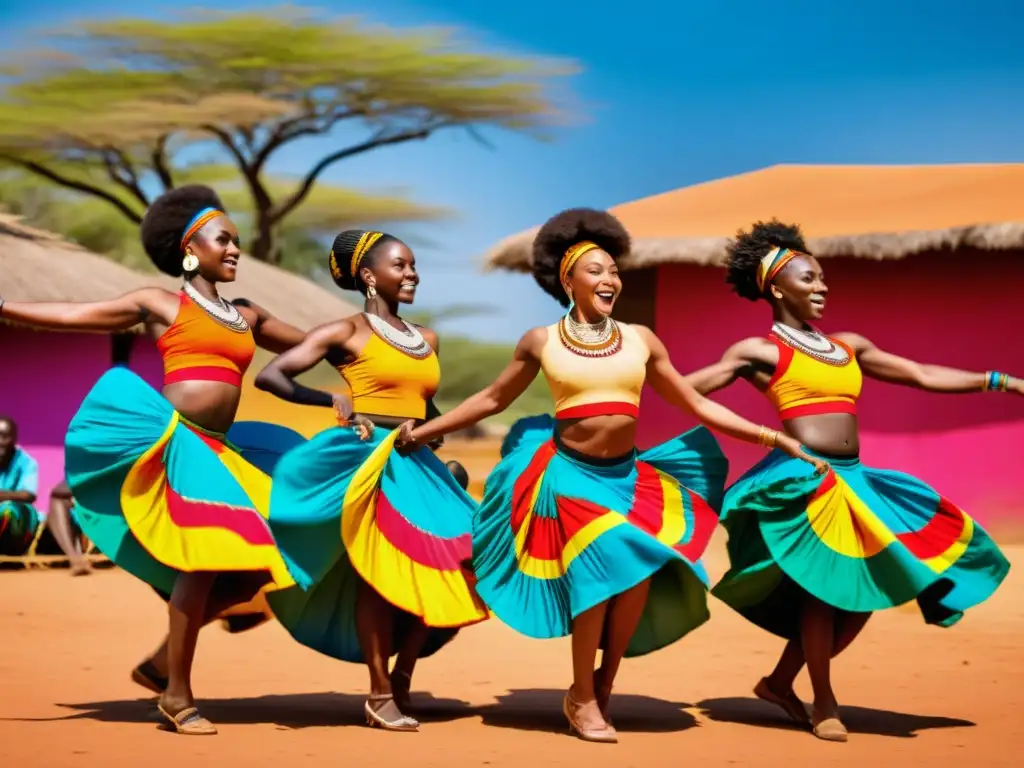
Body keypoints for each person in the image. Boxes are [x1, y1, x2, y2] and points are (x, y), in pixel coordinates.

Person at [396, 208, 827, 743]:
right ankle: (581, 697)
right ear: (568, 281)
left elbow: (695, 402)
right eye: (596, 271)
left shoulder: (641, 339)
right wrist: (422, 431)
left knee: (636, 575)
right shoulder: (541, 340)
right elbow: (490, 398)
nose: (609, 280)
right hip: (568, 477)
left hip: (626, 478)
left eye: (614, 272)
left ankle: (602, 684)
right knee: (607, 565)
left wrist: (772, 437)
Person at [683, 219, 1014, 743]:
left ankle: (777, 683)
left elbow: (922, 374)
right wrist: (627, 375)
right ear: (776, 287)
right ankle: (825, 702)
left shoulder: (849, 346)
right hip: (805, 478)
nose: (822, 287)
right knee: (823, 592)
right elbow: (685, 390)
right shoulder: (758, 352)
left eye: (823, 280)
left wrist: (1002, 381)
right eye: (810, 279)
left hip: (855, 480)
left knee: (859, 593)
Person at [0, 185, 309, 735]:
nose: (236, 250)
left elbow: (316, 344)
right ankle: (177, 695)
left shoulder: (247, 315)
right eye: (224, 240)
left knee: (253, 573)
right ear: (192, 250)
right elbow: (75, 315)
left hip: (223, 453)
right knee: (204, 559)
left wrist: (366, 362)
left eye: (237, 241)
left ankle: (160, 663)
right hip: (175, 447)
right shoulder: (161, 304)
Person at [256, 229, 487, 732]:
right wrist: (332, 402)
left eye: (413, 266)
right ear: (368, 276)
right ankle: (380, 692)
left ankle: (403, 676)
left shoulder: (427, 338)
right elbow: (271, 376)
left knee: (454, 565)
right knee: (378, 578)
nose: (412, 275)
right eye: (401, 266)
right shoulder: (344, 332)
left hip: (418, 465)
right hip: (369, 462)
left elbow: (425, 405)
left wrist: (433, 430)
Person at [0, 416, 41, 557]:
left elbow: (28, 495)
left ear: (14, 438)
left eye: (5, 437)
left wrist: (3, 496)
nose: (0, 442)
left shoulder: (26, 462)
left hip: (18, 514)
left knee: (8, 510)